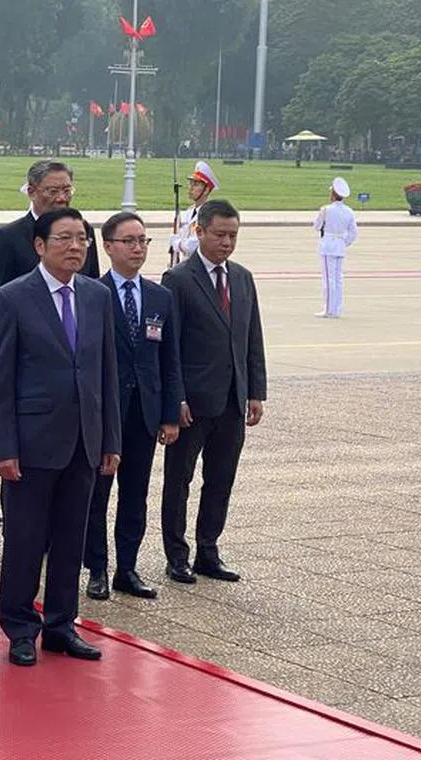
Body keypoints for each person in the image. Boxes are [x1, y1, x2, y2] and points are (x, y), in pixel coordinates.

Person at [0, 207, 121, 667]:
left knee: (70, 539)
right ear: (40, 246)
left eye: (81, 239)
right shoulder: (11, 298)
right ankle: (21, 628)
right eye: (63, 238)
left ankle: (62, 626)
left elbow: (105, 372)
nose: (75, 247)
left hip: (84, 439)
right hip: (31, 442)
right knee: (25, 541)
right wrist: (4, 445)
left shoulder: (96, 296)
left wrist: (110, 441)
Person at [160, 200, 267, 585]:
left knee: (220, 479)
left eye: (233, 236)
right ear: (199, 232)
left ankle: (209, 549)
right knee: (179, 480)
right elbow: (169, 346)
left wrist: (255, 390)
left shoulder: (242, 278)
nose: (226, 243)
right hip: (193, 402)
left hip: (232, 399)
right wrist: (177, 398)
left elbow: (251, 337)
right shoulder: (179, 280)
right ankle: (176, 554)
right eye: (219, 235)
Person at [84, 212, 183, 601]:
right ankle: (97, 568)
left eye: (143, 240)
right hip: (105, 414)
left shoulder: (160, 296)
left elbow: (169, 360)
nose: (138, 248)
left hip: (144, 412)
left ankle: (127, 567)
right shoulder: (92, 294)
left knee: (134, 494)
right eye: (129, 241)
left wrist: (170, 413)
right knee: (97, 495)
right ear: (108, 247)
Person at [0, 161, 100, 285]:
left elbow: (92, 283)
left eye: (67, 191)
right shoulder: (7, 237)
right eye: (53, 191)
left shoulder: (84, 231)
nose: (62, 198)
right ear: (31, 192)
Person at [313, 177, 357, 318]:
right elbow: (353, 233)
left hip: (328, 245)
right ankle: (337, 308)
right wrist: (344, 242)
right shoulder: (349, 211)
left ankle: (328, 309)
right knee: (338, 279)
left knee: (328, 279)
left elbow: (317, 226)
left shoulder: (326, 210)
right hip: (339, 245)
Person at [168, 161, 217, 264]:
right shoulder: (189, 212)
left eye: (195, 184)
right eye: (191, 184)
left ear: (206, 189)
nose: (191, 188)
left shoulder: (208, 215)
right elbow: (183, 234)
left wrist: (177, 244)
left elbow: (193, 245)